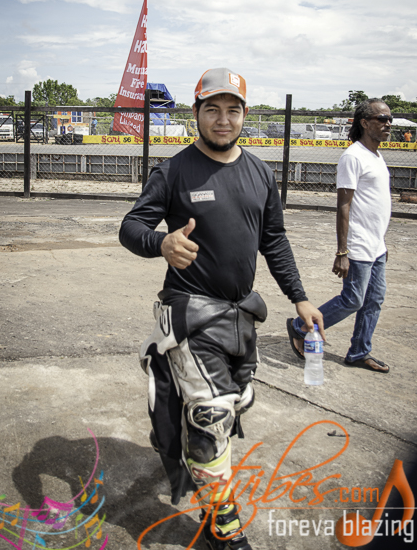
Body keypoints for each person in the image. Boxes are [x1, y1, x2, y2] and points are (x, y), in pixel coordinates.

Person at [119, 68, 324, 550]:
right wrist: (160, 243)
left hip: (240, 316)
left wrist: (299, 297)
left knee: (231, 406)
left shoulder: (260, 173)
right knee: (211, 415)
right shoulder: (173, 171)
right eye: (212, 109)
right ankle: (223, 527)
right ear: (196, 112)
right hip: (190, 312)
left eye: (233, 110)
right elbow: (131, 227)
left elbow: (274, 240)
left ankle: (176, 434)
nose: (223, 119)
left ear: (245, 114)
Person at [287, 98, 392, 373]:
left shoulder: (376, 156)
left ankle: (359, 352)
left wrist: (382, 242)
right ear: (365, 123)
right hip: (358, 245)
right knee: (353, 299)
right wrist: (342, 251)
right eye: (382, 119)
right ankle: (300, 326)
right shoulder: (353, 157)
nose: (388, 124)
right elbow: (343, 205)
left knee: (374, 300)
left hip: (376, 246)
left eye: (389, 119)